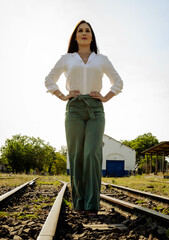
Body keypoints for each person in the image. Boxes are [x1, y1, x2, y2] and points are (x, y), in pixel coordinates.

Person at [45, 20, 123, 216]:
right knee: (76, 155)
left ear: (92, 36)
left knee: (92, 154)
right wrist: (62, 95)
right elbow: (49, 80)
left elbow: (118, 82)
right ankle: (79, 204)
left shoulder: (101, 59)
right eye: (80, 30)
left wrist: (106, 97)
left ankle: (92, 203)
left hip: (96, 109)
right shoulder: (67, 58)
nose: (84, 33)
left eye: (87, 30)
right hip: (75, 108)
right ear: (75, 36)